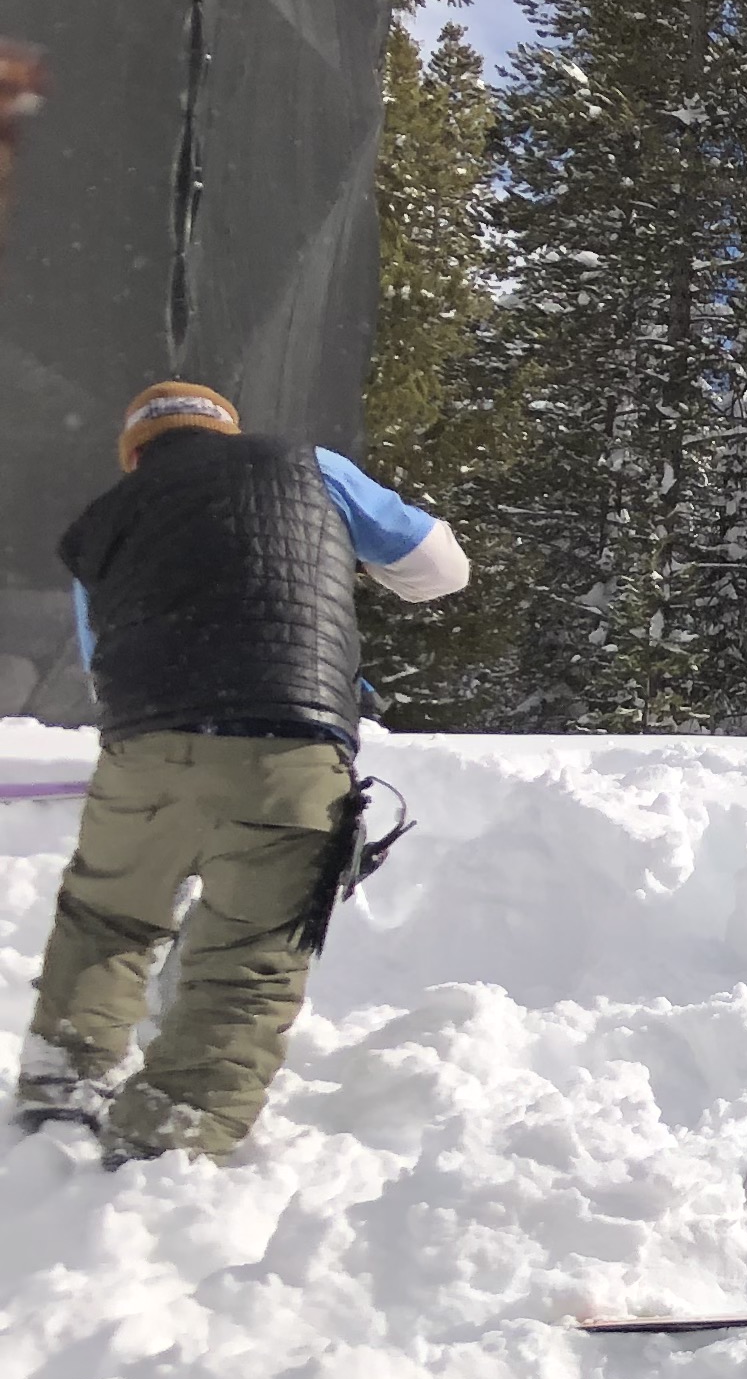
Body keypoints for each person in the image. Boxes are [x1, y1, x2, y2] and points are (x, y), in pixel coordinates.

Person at [23, 382, 470, 1161]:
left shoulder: (103, 523)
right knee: (247, 959)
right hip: (288, 747)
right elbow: (441, 569)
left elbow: (104, 665)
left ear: (136, 455)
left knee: (107, 920)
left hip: (146, 750)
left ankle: (61, 1090)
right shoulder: (310, 469)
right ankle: (166, 1147)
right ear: (228, 431)